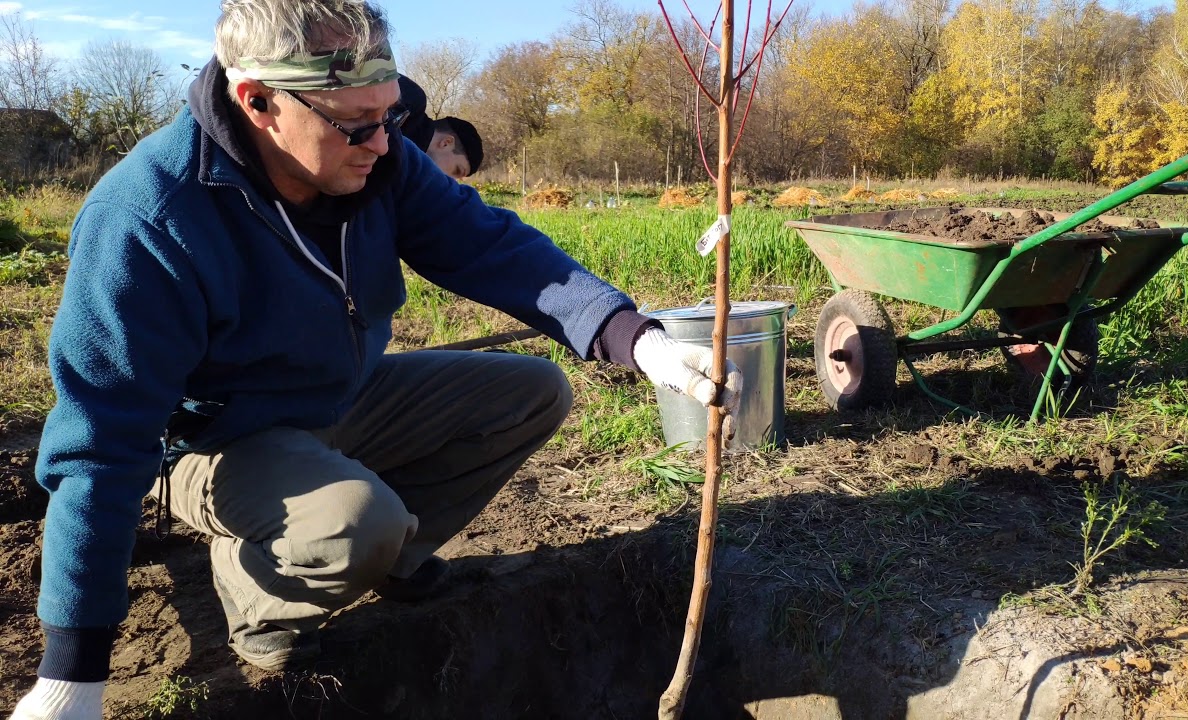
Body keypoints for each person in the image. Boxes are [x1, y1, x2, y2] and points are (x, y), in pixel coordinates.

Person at [9, 1, 741, 718]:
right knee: (356, 523)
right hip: (217, 441)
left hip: (340, 396)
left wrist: (634, 337)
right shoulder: (148, 220)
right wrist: (73, 675)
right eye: (357, 124)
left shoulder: (377, 158)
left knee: (533, 393)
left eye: (389, 116)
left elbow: (488, 245)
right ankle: (261, 603)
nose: (385, 143)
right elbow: (100, 446)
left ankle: (385, 557)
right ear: (258, 101)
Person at [396, 75, 482, 180]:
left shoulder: (406, 175)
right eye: (457, 171)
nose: (451, 181)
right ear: (446, 143)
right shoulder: (412, 100)